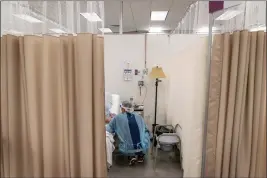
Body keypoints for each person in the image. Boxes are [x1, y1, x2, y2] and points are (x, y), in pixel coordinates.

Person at [106, 100, 150, 166]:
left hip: (127, 147)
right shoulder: (139, 117)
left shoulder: (117, 117)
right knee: (145, 134)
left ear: (123, 108)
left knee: (125, 136)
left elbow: (109, 129)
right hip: (142, 146)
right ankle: (140, 156)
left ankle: (131, 156)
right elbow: (146, 129)